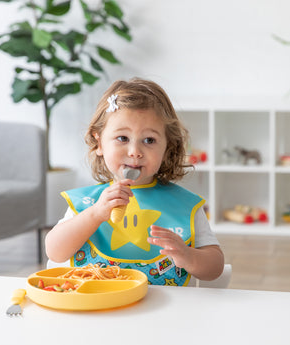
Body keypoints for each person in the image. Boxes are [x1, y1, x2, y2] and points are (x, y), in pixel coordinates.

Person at [45, 77, 224, 286]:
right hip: (98, 310)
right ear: (99, 142)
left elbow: (215, 267)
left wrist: (189, 256)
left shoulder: (185, 206)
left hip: (165, 313)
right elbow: (54, 252)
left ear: (167, 148)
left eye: (149, 140)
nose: (135, 152)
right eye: (122, 138)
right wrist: (94, 215)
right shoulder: (87, 203)